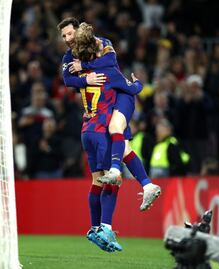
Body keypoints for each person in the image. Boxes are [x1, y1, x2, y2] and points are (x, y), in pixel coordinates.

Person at [58, 18, 161, 213]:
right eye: (63, 36)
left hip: (122, 94)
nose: (66, 39)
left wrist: (85, 66)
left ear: (79, 31)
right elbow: (67, 79)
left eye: (70, 33)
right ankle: (147, 185)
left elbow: (110, 61)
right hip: (110, 97)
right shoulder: (68, 56)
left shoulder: (102, 43)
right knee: (124, 148)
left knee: (115, 129)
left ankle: (115, 171)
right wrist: (86, 78)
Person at [70, 22, 145, 252]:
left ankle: (94, 229)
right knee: (113, 180)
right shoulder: (108, 70)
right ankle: (105, 227)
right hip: (101, 132)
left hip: (86, 131)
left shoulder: (80, 71)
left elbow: (69, 78)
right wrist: (139, 82)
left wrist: (82, 64)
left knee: (95, 181)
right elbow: (132, 89)